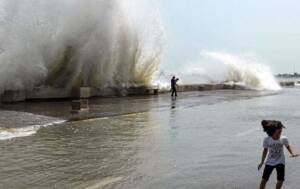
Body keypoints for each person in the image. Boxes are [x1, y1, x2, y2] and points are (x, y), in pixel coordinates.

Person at [258, 120, 298, 189]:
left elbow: (288, 147)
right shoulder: (267, 140)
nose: (280, 132)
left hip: (280, 161)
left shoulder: (284, 139)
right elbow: (265, 151)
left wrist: (293, 153)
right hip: (270, 161)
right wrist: (262, 162)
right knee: (264, 179)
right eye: (279, 131)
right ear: (273, 131)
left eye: (281, 131)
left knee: (281, 179)